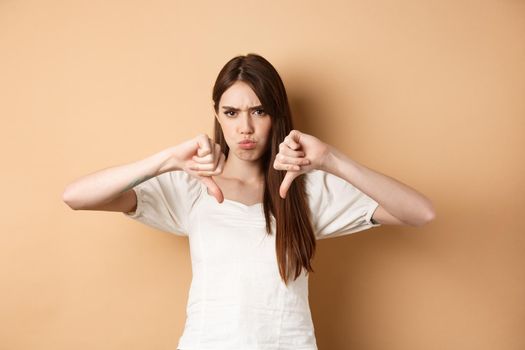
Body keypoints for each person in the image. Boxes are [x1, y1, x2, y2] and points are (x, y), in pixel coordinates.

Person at [63, 53, 435, 349]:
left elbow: (420, 212)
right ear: (217, 116)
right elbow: (76, 196)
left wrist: (331, 160)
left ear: (276, 116)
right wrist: (167, 160)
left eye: (259, 111)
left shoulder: (305, 190)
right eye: (232, 113)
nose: (245, 127)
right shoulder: (193, 187)